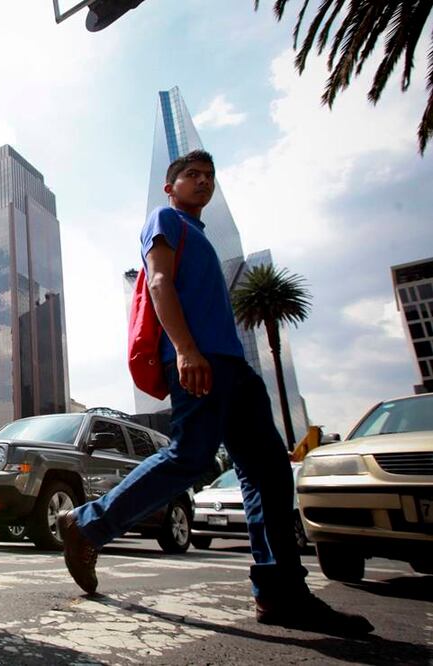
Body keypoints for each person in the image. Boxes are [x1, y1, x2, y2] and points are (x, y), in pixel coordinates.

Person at [58, 150, 373, 636]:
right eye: (192, 175)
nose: (203, 181)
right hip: (199, 360)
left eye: (209, 176)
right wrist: (186, 350)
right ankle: (88, 524)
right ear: (171, 187)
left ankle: (281, 591)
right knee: (190, 456)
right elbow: (159, 282)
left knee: (269, 472)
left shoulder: (201, 236)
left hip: (234, 367)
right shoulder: (165, 219)